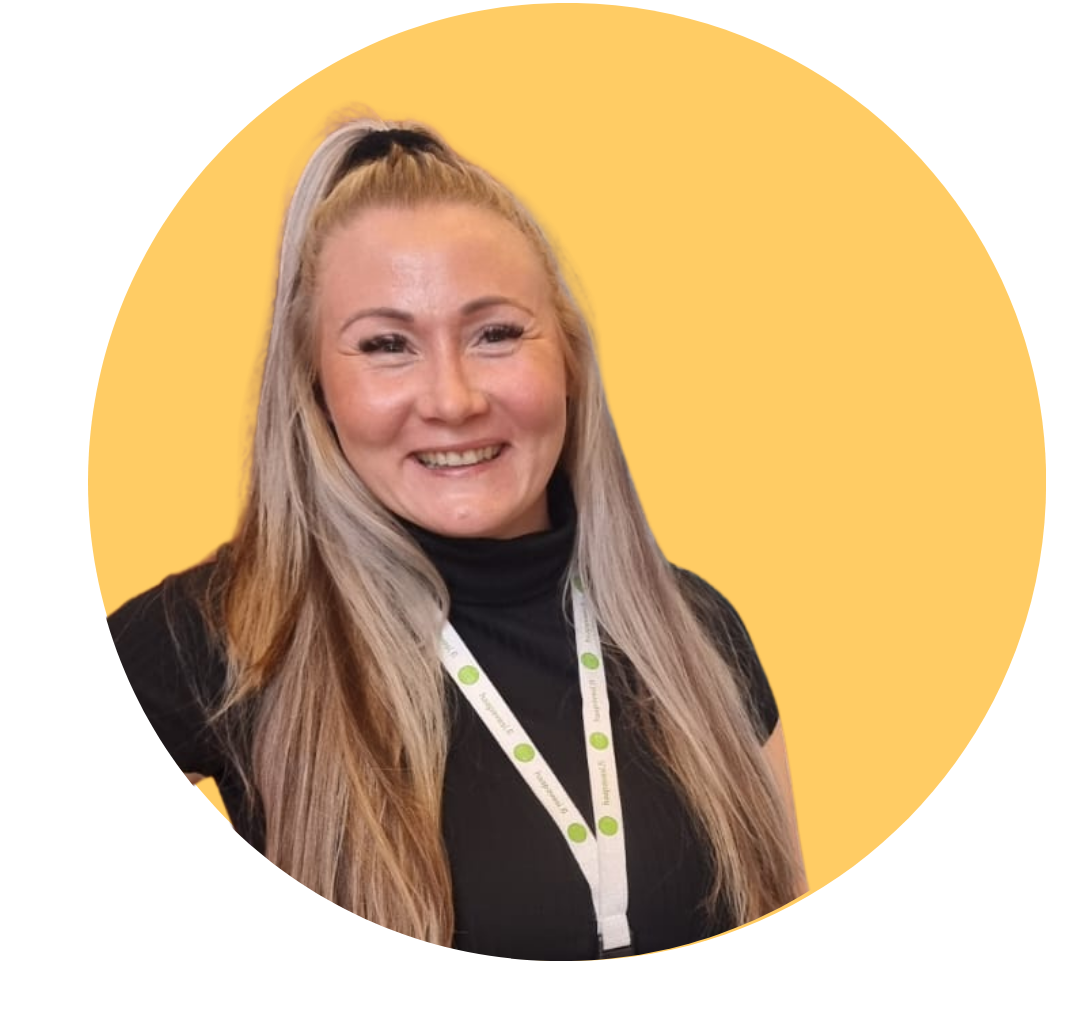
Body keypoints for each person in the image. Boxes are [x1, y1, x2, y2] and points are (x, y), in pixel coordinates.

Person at [108, 118, 807, 960]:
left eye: (496, 334)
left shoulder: (700, 631)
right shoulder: (222, 636)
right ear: (315, 385)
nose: (453, 399)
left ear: (569, 357)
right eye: (387, 345)